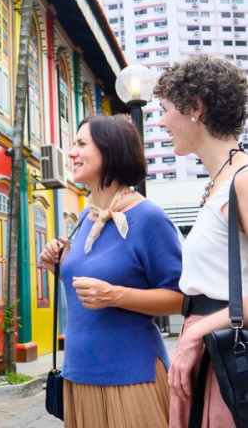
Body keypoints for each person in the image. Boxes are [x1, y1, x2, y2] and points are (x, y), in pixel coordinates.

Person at [40, 114, 183, 427]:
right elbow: (87, 290)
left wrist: (115, 295)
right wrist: (58, 264)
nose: (72, 152)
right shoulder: (84, 218)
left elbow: (181, 298)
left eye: (81, 144)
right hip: (79, 374)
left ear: (110, 150)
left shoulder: (148, 217)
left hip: (132, 375)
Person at [154, 54, 248, 427]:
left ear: (195, 108)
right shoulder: (219, 183)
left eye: (164, 109)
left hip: (226, 350)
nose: (160, 122)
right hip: (210, 348)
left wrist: (202, 331)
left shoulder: (241, 180)